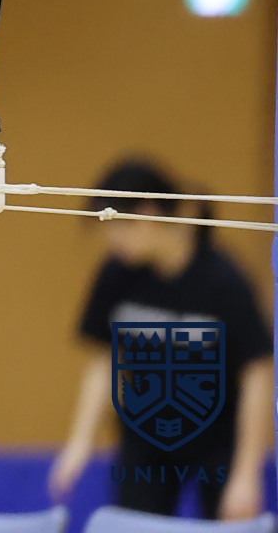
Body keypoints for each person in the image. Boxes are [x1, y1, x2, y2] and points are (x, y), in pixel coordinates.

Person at [48, 158, 272, 520]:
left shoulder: (223, 280)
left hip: (217, 435)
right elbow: (103, 360)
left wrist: (247, 473)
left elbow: (257, 372)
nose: (111, 239)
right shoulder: (117, 275)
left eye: (116, 225)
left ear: (148, 214)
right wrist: (79, 444)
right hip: (146, 435)